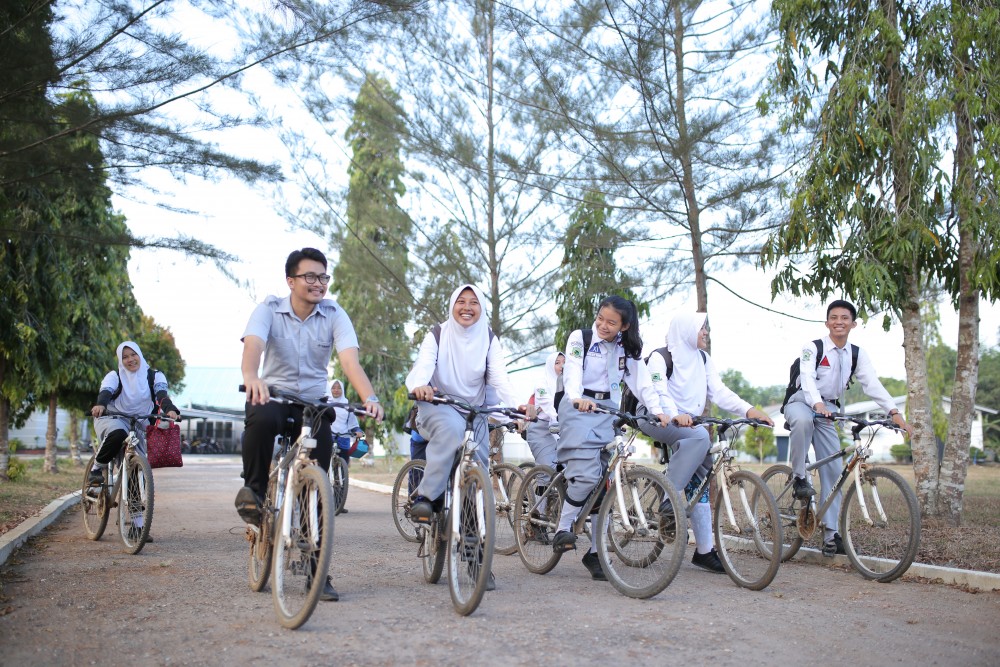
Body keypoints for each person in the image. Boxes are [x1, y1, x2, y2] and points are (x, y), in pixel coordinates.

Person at [236, 247, 384, 602]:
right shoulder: (269, 309)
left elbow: (350, 362)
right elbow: (253, 346)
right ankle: (254, 492)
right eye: (310, 277)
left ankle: (316, 569)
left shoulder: (334, 314)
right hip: (273, 395)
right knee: (260, 415)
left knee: (318, 482)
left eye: (323, 277)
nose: (318, 283)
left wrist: (370, 397)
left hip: (314, 404)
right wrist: (250, 377)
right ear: (291, 280)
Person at [405, 284, 535, 591]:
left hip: (473, 413)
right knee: (450, 430)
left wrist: (515, 405)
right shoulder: (437, 334)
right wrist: (421, 385)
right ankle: (427, 498)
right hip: (437, 405)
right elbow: (422, 366)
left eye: (473, 302)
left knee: (476, 481)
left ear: (481, 308)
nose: (467, 307)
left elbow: (500, 379)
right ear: (452, 306)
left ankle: (477, 559)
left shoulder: (489, 338)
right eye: (461, 301)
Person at [638, 311, 773, 573]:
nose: (705, 334)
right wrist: (675, 414)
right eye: (702, 329)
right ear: (688, 330)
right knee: (700, 436)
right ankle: (669, 502)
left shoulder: (702, 358)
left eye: (706, 330)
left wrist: (749, 410)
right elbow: (659, 392)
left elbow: (719, 391)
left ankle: (704, 551)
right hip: (658, 418)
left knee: (699, 481)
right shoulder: (661, 357)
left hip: (691, 425)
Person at [784, 299, 911, 556]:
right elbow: (807, 378)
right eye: (834, 317)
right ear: (827, 322)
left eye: (844, 318)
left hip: (829, 410)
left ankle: (831, 535)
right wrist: (817, 403)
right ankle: (799, 478)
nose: (838, 322)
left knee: (833, 471)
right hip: (802, 401)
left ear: (853, 323)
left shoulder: (856, 354)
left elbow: (872, 384)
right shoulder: (813, 347)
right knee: (803, 419)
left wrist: (894, 412)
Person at [556, 295, 669, 581]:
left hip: (608, 411)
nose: (603, 326)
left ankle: (595, 553)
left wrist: (658, 411)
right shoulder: (580, 338)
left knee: (605, 483)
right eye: (600, 318)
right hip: (578, 407)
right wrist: (576, 398)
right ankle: (562, 527)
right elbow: (571, 372)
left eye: (611, 322)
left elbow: (641, 383)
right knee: (586, 476)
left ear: (624, 326)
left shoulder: (625, 348)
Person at [90, 341, 181, 540]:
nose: (130, 359)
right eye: (125, 357)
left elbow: (161, 396)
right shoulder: (114, 376)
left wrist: (170, 410)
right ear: (120, 360)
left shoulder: (154, 375)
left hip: (138, 424)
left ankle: (138, 526)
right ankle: (96, 469)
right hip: (113, 418)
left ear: (140, 354)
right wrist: (100, 405)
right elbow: (105, 394)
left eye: (133, 355)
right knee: (118, 434)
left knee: (135, 474)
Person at [329, 378, 364, 514]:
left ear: (342, 390)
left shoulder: (347, 406)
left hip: (343, 439)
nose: (336, 390)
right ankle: (321, 501)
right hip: (328, 438)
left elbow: (353, 423)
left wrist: (358, 431)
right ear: (329, 389)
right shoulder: (325, 404)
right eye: (333, 387)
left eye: (339, 388)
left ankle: (339, 504)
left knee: (342, 473)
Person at [526, 352, 564, 471]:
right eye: (557, 363)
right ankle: (541, 489)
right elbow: (549, 405)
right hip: (540, 430)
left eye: (565, 362)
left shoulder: (569, 384)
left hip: (561, 428)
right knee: (547, 469)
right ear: (549, 365)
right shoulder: (541, 384)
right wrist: (562, 420)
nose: (562, 366)